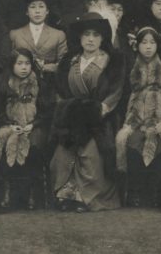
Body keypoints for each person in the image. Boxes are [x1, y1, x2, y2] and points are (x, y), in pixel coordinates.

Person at [50, 12, 125, 212]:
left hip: (99, 119)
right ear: (80, 38)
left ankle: (85, 198)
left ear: (102, 39)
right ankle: (66, 195)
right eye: (86, 35)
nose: (91, 39)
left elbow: (115, 92)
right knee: (63, 153)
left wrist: (100, 109)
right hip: (71, 115)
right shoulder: (69, 61)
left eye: (96, 35)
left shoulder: (110, 61)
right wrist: (67, 109)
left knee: (90, 153)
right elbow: (60, 90)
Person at [115, 27, 161, 208]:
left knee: (160, 143)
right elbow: (123, 93)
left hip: (160, 116)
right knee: (133, 141)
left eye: (152, 43)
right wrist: (131, 120)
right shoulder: (131, 65)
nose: (148, 47)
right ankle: (135, 191)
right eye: (144, 43)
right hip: (134, 116)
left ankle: (156, 192)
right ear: (136, 45)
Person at [0, 49, 51, 211]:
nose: (24, 67)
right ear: (12, 65)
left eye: (27, 63)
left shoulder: (40, 84)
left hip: (34, 125)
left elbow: (47, 110)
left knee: (35, 145)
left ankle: (32, 194)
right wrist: (10, 124)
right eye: (19, 63)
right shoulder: (3, 84)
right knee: (3, 144)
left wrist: (34, 124)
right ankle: (7, 193)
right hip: (10, 124)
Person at [8, 0, 67, 82]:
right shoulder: (15, 34)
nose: (37, 11)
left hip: (50, 83)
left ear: (47, 11)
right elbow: (9, 62)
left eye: (41, 6)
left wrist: (44, 67)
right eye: (33, 7)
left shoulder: (58, 35)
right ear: (27, 12)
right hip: (20, 84)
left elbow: (64, 64)